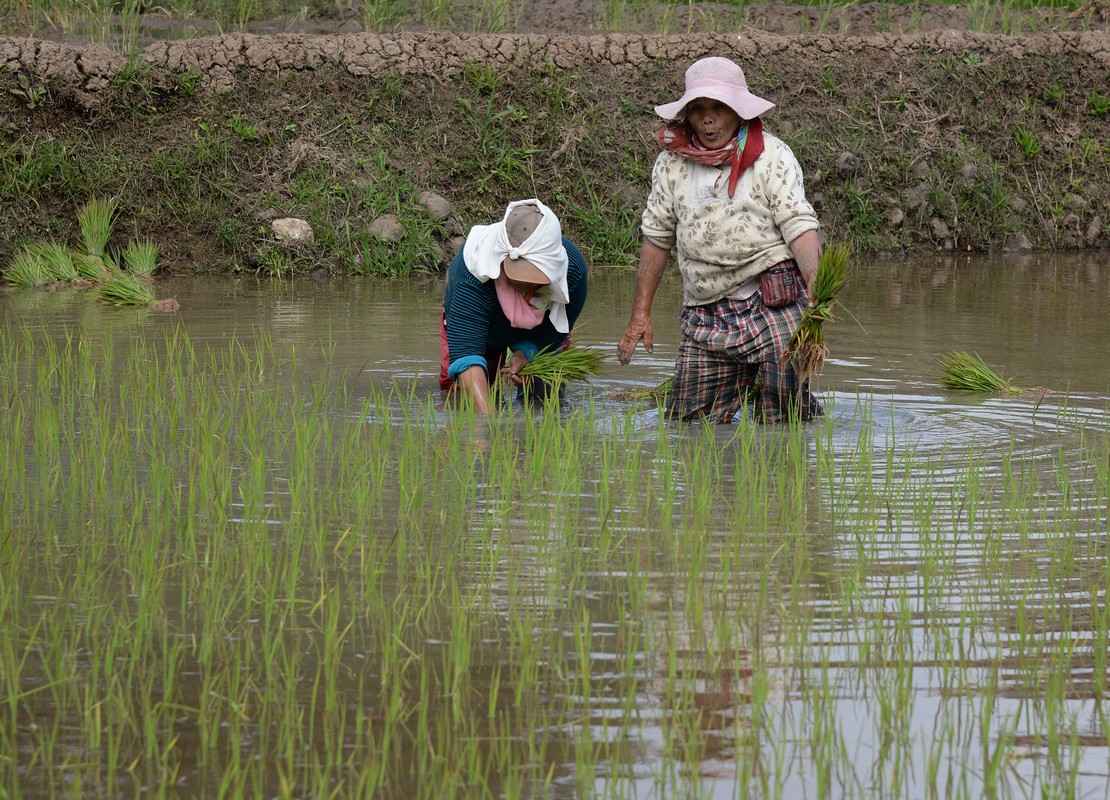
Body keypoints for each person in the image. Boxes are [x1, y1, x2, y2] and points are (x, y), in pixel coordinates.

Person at [616, 56, 823, 423]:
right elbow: (657, 236)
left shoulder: (771, 156)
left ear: (739, 111)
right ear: (687, 115)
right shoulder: (671, 164)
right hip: (705, 308)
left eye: (719, 108)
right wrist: (640, 314)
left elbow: (799, 224)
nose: (708, 120)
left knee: (786, 421)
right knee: (690, 424)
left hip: (773, 304)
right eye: (698, 110)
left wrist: (817, 289)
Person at [440, 199, 589, 414]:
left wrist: (524, 354)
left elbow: (556, 330)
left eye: (535, 279)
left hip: (542, 326)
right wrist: (487, 425)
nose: (526, 288)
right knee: (462, 401)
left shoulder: (572, 271)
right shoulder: (471, 275)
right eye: (518, 278)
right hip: (486, 328)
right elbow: (466, 355)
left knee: (547, 396)